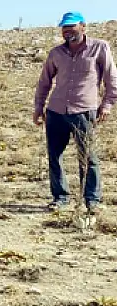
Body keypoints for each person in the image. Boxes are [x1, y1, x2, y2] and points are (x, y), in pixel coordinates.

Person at [34, 11, 117, 213]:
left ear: (83, 26)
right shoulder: (56, 53)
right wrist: (39, 107)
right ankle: (60, 197)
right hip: (56, 111)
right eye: (64, 27)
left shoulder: (99, 48)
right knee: (55, 155)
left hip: (84, 111)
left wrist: (107, 105)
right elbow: (44, 82)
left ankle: (91, 200)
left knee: (88, 157)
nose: (67, 31)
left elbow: (111, 80)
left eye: (72, 26)